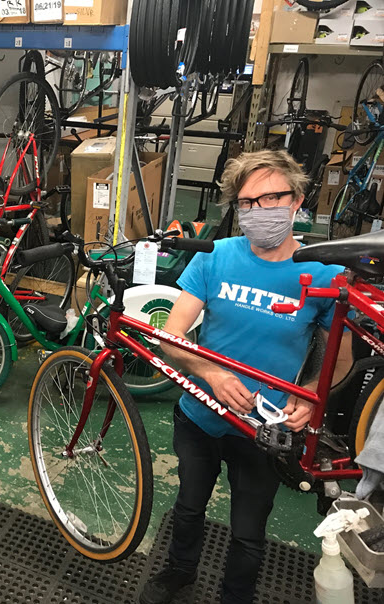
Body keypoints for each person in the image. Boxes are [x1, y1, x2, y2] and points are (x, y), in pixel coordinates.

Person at [139, 150, 354, 604]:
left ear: (296, 200)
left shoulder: (324, 274)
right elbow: (171, 337)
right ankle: (179, 572)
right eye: (247, 203)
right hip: (200, 413)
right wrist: (211, 374)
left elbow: (339, 360)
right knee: (189, 506)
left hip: (265, 428)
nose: (258, 212)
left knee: (248, 530)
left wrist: (312, 396)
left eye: (270, 198)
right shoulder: (215, 256)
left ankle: (235, 595)